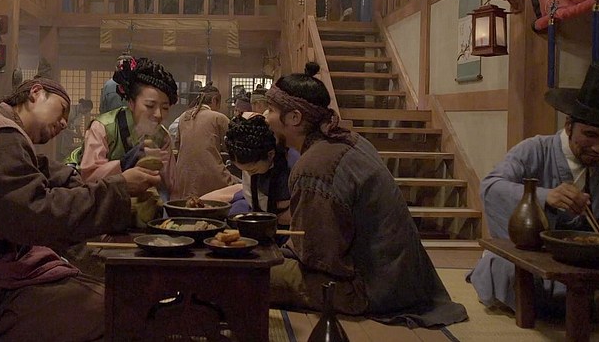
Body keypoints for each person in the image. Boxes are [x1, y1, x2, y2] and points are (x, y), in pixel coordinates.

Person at [0, 77, 162, 341]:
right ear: (36, 92)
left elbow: (53, 176)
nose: (64, 123)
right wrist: (119, 188)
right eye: (62, 110)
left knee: (101, 277)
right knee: (116, 308)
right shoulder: (1, 136)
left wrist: (112, 190)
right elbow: (36, 215)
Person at [266, 62, 467, 327]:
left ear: (294, 117)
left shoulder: (314, 166)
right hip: (402, 280)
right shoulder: (350, 140)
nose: (265, 117)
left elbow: (320, 258)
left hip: (369, 289)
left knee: (252, 272)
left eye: (271, 109)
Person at [468, 60, 599, 314]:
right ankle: (589, 304)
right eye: (590, 135)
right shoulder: (535, 150)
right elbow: (491, 187)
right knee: (505, 271)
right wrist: (545, 197)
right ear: (569, 125)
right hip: (537, 261)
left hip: (595, 266)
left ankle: (582, 303)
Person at [73, 57, 178, 203]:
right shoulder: (104, 127)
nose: (158, 114)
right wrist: (126, 163)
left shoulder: (162, 136)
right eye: (150, 106)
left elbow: (170, 185)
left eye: (165, 108)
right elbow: (89, 177)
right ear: (131, 103)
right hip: (98, 201)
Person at [225, 113, 294, 226]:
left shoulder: (292, 162)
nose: (249, 174)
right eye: (245, 171)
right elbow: (251, 198)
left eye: (252, 170)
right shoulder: (250, 158)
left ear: (270, 155)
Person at [173, 83, 238, 200]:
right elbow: (234, 147)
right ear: (214, 100)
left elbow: (177, 146)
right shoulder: (218, 117)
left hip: (182, 180)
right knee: (242, 188)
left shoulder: (183, 117)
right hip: (211, 177)